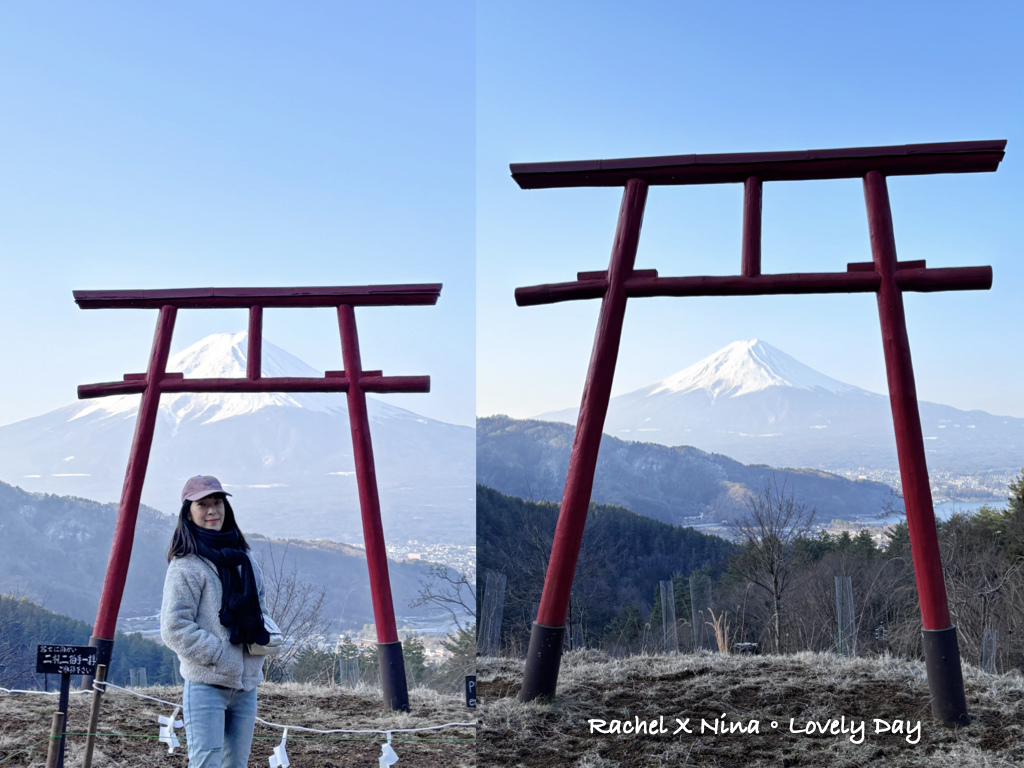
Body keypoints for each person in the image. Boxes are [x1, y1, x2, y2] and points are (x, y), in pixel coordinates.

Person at [160, 475, 270, 768]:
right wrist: (219, 656)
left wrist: (264, 637)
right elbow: (173, 627)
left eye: (217, 502)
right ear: (188, 512)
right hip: (207, 684)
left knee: (236, 765)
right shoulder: (186, 566)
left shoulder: (245, 559)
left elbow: (260, 609)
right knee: (206, 764)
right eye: (203, 504)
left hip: (246, 686)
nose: (212, 510)